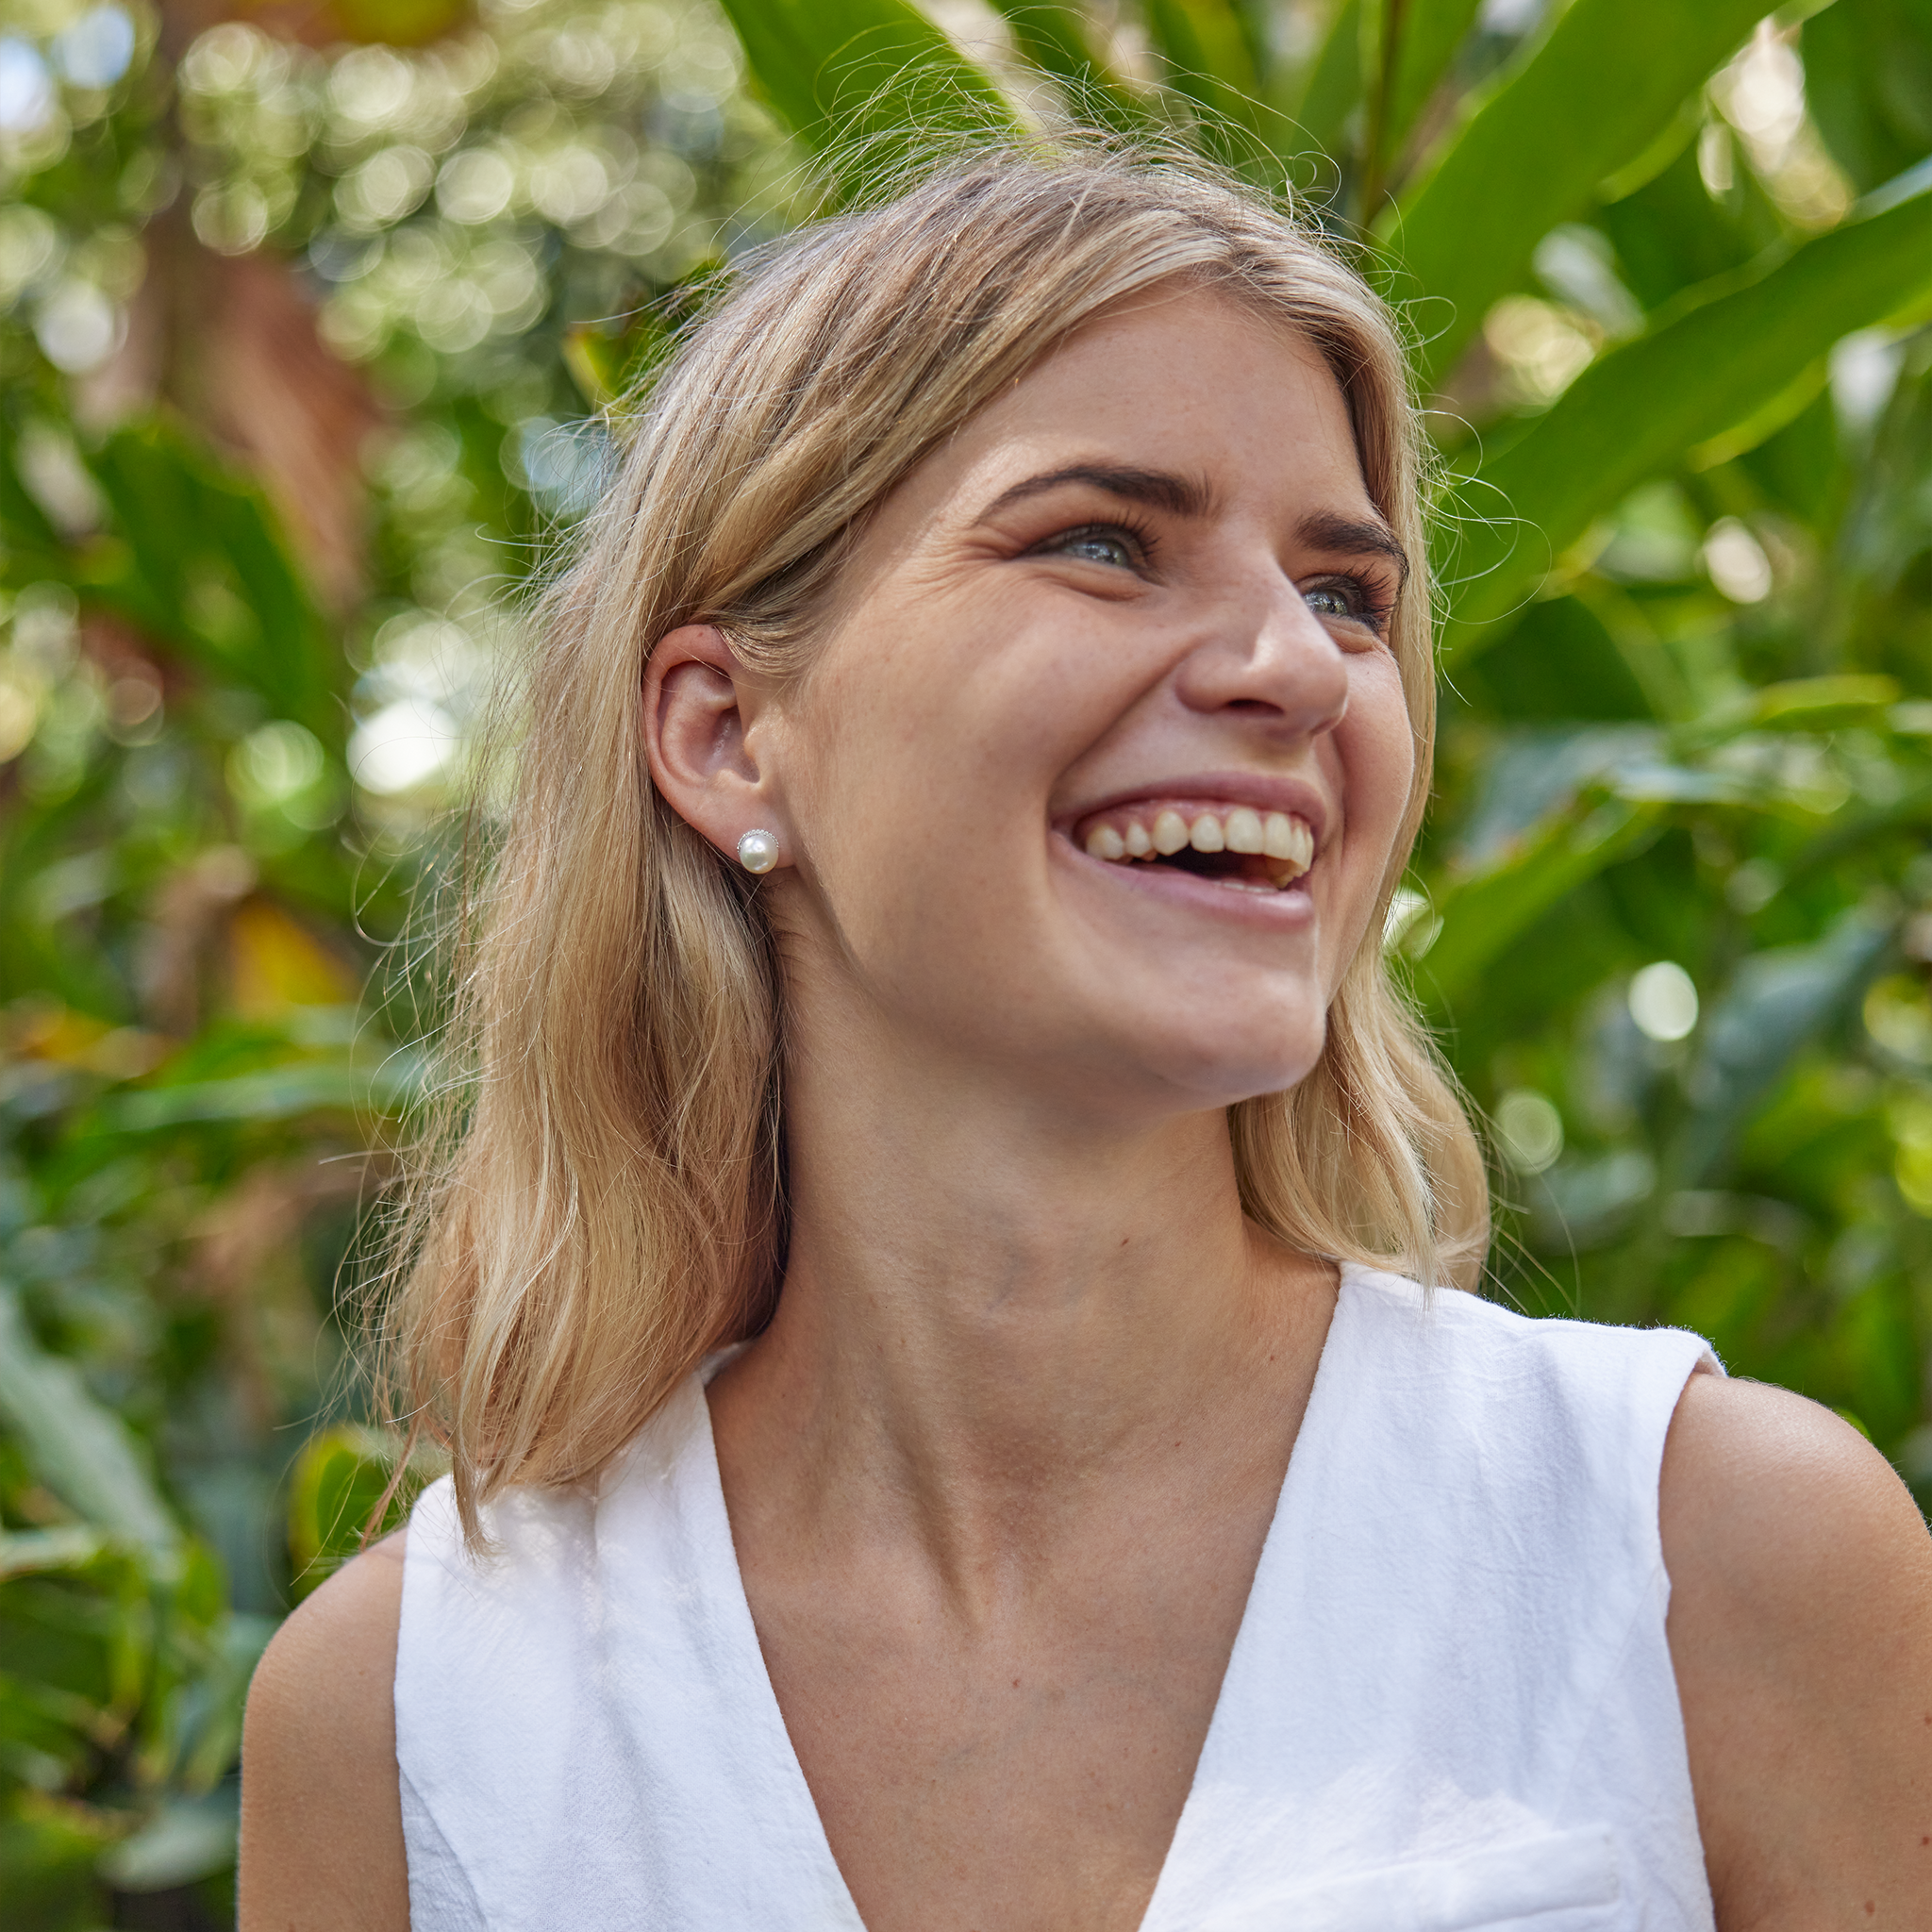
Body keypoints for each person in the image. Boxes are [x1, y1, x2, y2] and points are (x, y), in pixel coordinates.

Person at [238, 150, 1932, 1931]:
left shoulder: (1706, 1560)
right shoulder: (411, 1720)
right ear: (731, 734)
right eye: (1106, 543)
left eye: (1351, 593)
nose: (1295, 665)